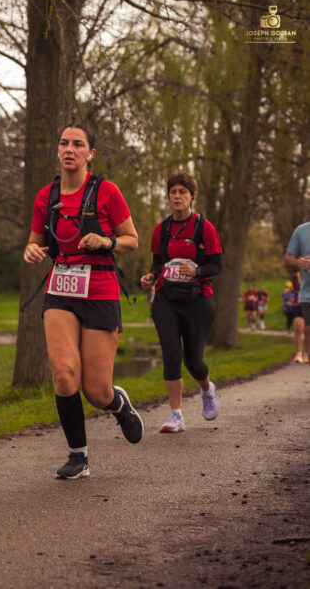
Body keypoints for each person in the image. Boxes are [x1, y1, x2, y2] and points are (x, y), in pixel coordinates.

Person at [23, 123, 143, 480]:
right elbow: (34, 242)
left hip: (101, 289)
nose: (69, 149)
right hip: (61, 286)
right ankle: (79, 456)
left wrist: (107, 242)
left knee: (95, 391)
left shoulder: (107, 192)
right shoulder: (46, 196)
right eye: (64, 143)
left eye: (78, 144)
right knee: (63, 375)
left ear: (90, 153)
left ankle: (117, 402)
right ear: (58, 151)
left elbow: (132, 239)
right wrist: (31, 250)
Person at [139, 172, 223, 433]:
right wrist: (151, 276)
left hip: (198, 300)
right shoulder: (161, 229)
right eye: (173, 192)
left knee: (194, 361)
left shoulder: (204, 228)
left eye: (182, 192)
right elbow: (157, 262)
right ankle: (176, 416)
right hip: (166, 298)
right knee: (171, 354)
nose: (177, 196)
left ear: (192, 197)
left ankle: (207, 389)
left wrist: (196, 271)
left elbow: (217, 265)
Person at [285, 223, 310, 362]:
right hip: (307, 295)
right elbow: (288, 256)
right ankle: (301, 353)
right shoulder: (301, 230)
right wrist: (298, 262)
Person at [281, 279, 305, 362]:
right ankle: (299, 353)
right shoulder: (296, 275)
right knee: (298, 327)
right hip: (298, 305)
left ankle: (306, 353)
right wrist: (290, 290)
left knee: (308, 330)